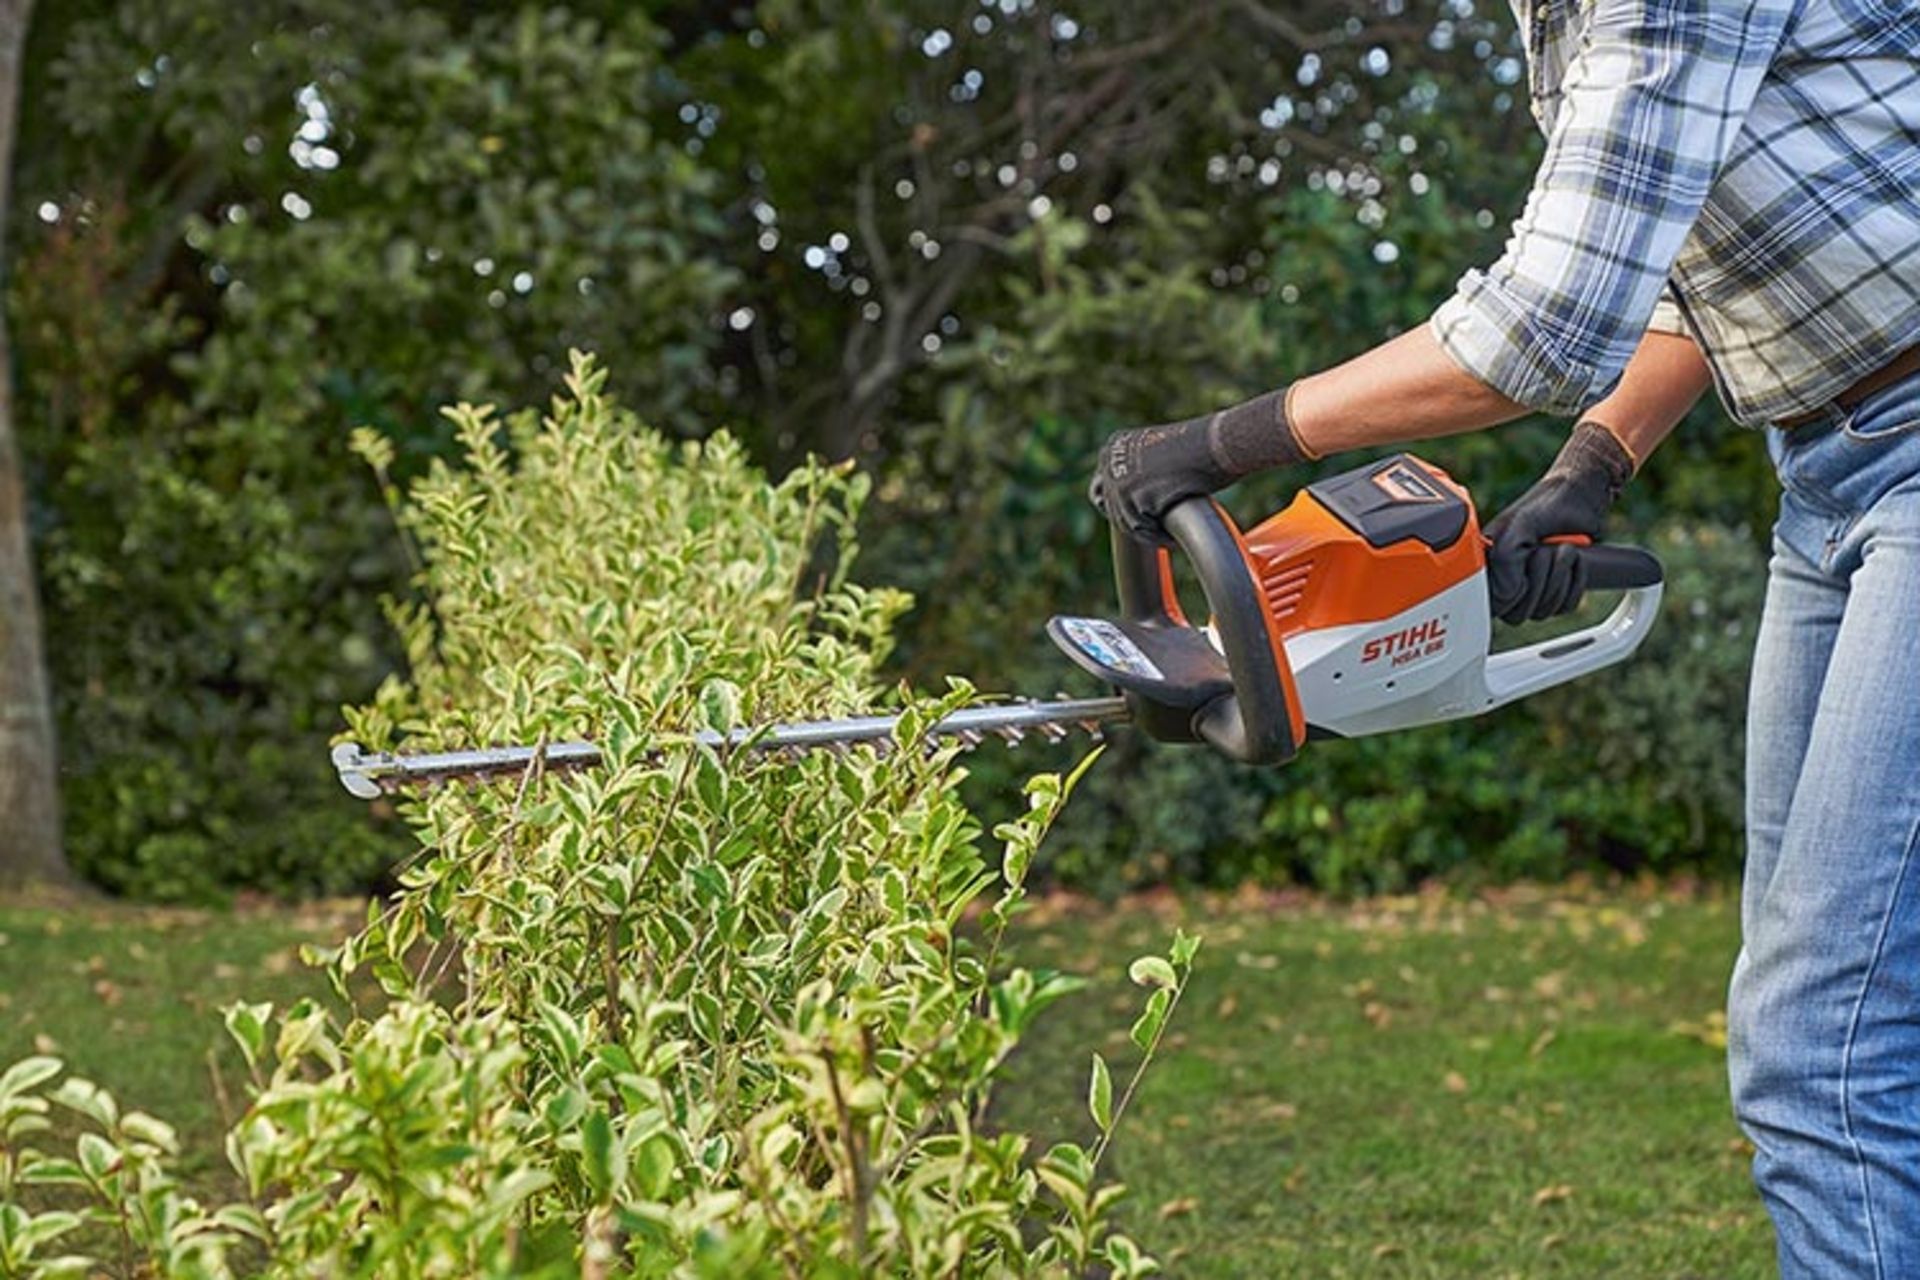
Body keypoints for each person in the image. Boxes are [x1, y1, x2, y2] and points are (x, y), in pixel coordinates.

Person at [1088, 2, 1920, 1274]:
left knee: (1824, 1046)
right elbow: (1712, 260)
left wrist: (1217, 445)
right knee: (1841, 1015)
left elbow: (1539, 328)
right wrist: (1594, 459)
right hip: (1831, 472)